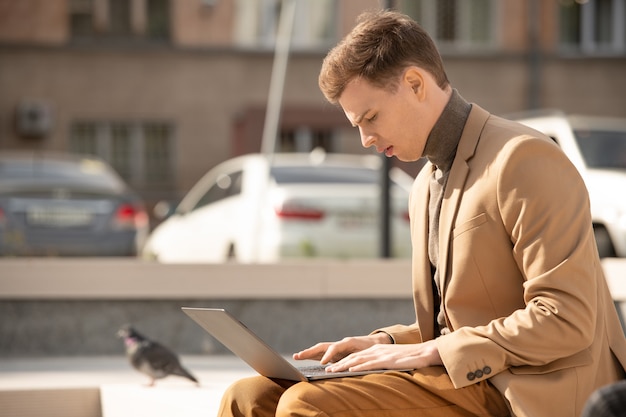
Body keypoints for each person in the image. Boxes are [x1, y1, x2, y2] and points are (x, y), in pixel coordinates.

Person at [218, 10, 626, 417]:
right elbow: (457, 325)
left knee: (305, 404)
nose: (365, 139)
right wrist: (386, 343)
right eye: (356, 124)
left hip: (530, 388)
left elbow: (567, 318)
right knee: (248, 397)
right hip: (465, 376)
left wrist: (429, 349)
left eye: (371, 117)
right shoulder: (423, 187)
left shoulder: (523, 158)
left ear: (415, 83)